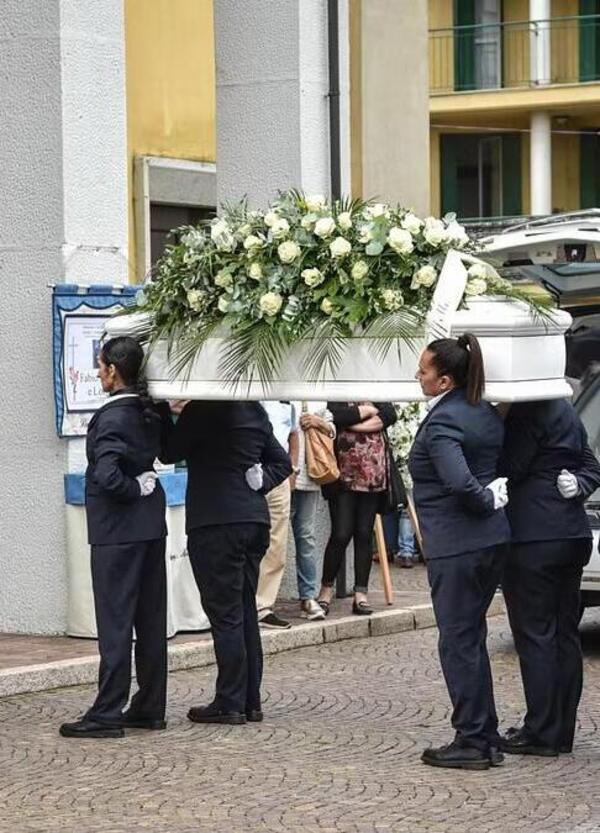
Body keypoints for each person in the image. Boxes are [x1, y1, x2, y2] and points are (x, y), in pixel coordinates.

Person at [408, 333, 511, 771]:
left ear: (445, 380)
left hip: (458, 543)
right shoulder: (482, 410)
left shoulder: (446, 420)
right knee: (472, 639)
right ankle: (485, 735)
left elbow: (458, 480)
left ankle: (471, 738)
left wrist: (485, 499)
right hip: (489, 541)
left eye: (425, 371)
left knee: (459, 642)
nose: (418, 376)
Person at [60, 336, 167, 739]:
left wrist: (128, 487)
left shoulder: (112, 417)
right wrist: (139, 485)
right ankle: (150, 705)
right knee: (151, 619)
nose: (98, 372)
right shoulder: (147, 411)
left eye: (101, 365)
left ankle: (107, 712)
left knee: (117, 621)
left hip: (117, 532)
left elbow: (106, 475)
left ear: (112, 370)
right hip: (150, 527)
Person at [160, 400, 291, 724]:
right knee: (245, 610)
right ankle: (250, 700)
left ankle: (230, 701)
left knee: (226, 615)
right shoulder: (253, 410)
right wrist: (260, 480)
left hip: (216, 522)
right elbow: (283, 462)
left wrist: (162, 410)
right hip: (253, 520)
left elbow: (168, 452)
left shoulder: (201, 410)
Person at [498, 398, 600, 757]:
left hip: (534, 536)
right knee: (564, 635)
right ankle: (561, 730)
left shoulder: (526, 412)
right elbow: (590, 465)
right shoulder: (565, 408)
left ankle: (541, 731)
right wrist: (581, 482)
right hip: (572, 535)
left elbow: (512, 466)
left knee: (536, 635)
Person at [316, 402, 398, 616]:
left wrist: (354, 425)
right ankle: (325, 591)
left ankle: (361, 594)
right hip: (342, 475)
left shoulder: (376, 390)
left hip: (372, 475)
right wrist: (368, 412)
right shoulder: (340, 392)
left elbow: (389, 414)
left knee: (364, 533)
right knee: (341, 533)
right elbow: (334, 417)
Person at [256, 401, 299, 630]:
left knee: (277, 543)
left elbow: (294, 434)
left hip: (278, 473)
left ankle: (263, 606)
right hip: (251, 468)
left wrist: (291, 470)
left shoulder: (288, 399)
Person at [289, 402, 335, 621]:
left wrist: (318, 422)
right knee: (271, 539)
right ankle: (262, 600)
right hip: (280, 474)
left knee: (306, 537)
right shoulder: (279, 393)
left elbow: (332, 428)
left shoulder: (317, 395)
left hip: (309, 474)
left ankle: (307, 596)